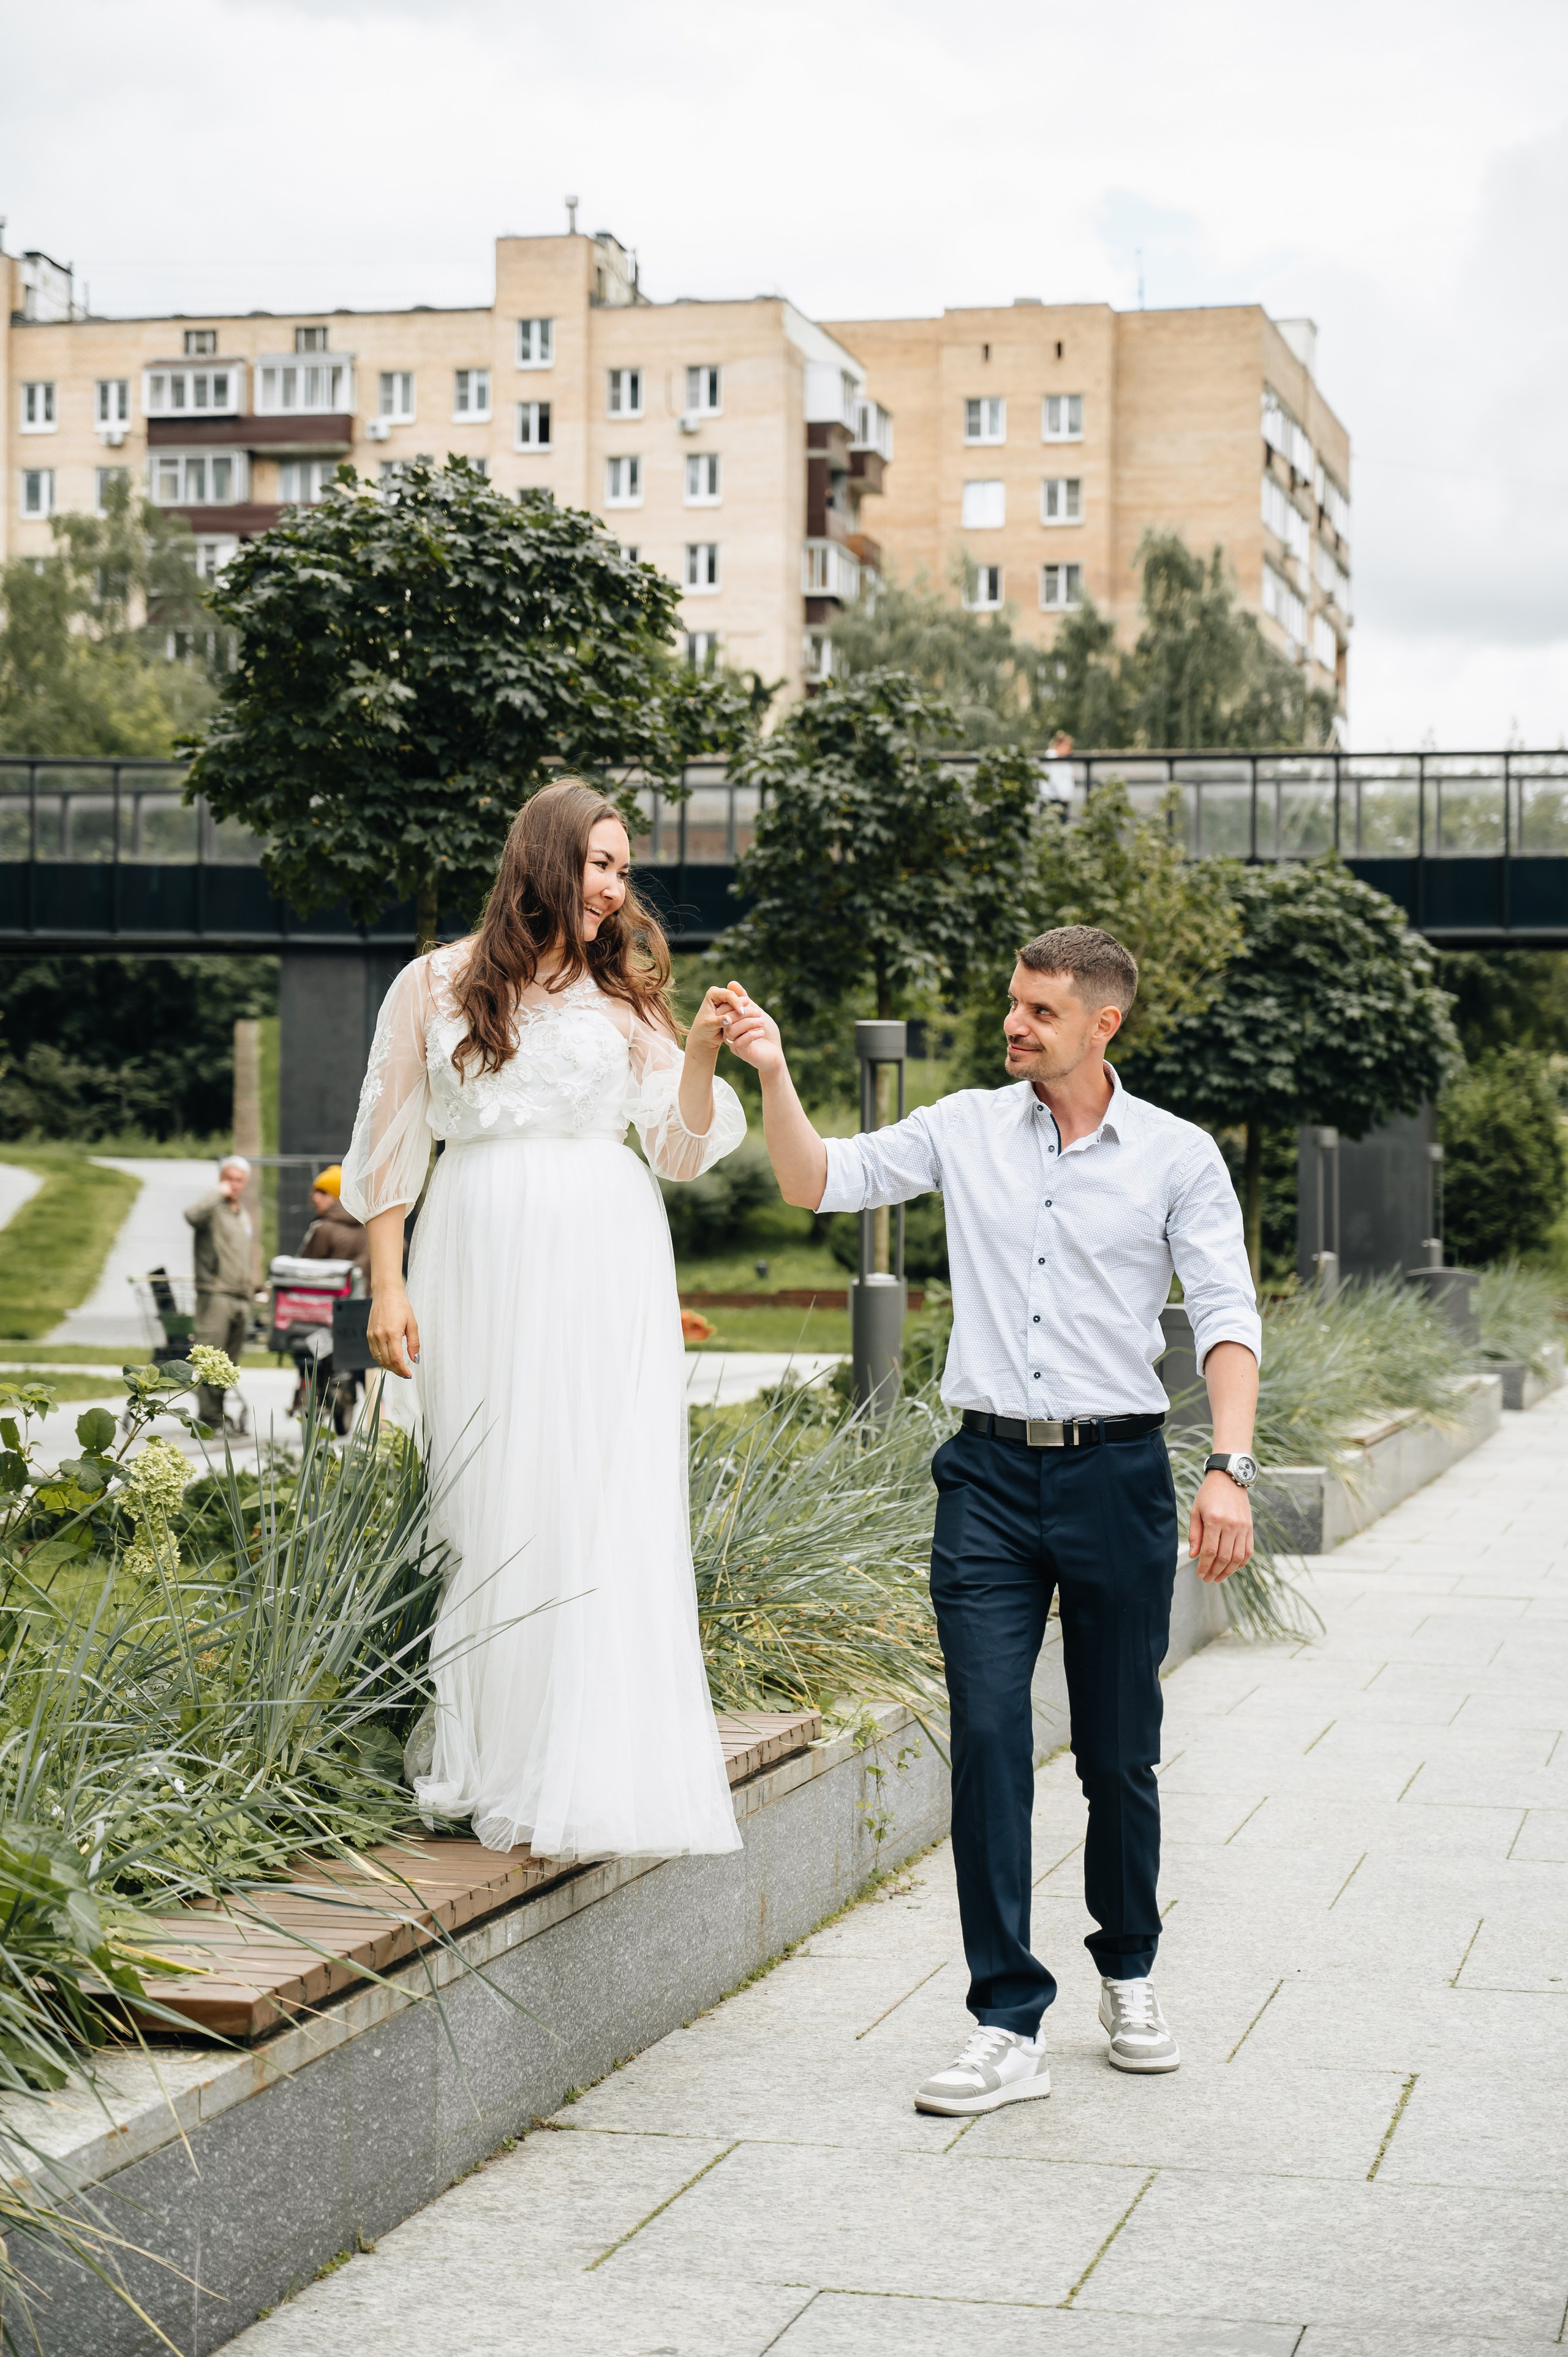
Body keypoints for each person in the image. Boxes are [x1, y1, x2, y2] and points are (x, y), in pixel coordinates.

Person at [723, 924, 1261, 2113]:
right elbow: (818, 1180)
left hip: (1116, 1473)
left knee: (1118, 1753)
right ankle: (1003, 2018)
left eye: (1037, 1011)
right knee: (984, 1738)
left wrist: (1226, 1466)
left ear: (1101, 1022)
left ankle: (1126, 1967)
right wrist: (768, 1067)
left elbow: (1225, 1312)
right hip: (983, 1479)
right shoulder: (963, 1126)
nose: (1011, 1024)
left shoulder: (1174, 1155)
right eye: (1010, 1004)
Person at [340, 780, 750, 1863]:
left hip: (605, 1253)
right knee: (487, 1496)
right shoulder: (433, 983)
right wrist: (387, 1284)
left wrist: (700, 1048)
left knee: (595, 1488)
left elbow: (680, 1146)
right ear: (544, 859)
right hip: (472, 1246)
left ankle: (590, 1754)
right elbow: (389, 1147)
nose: (616, 889)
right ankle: (491, 1752)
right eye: (600, 863)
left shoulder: (628, 1000)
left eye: (624, 869)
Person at [184, 1154, 255, 1427]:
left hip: (240, 1296)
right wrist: (216, 1194)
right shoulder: (212, 1208)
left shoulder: (241, 1214)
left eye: (239, 1181)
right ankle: (209, 1417)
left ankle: (219, 1412)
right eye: (229, 1179)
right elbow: (191, 1215)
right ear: (221, 1180)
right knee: (209, 1357)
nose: (234, 1185)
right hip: (215, 1293)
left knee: (229, 1363)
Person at [298, 1164, 370, 1281]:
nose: (315, 1198)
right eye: (315, 1192)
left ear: (339, 1197)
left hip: (326, 1296)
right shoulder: (368, 1228)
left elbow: (303, 1272)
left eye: (324, 1193)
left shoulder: (324, 1229)